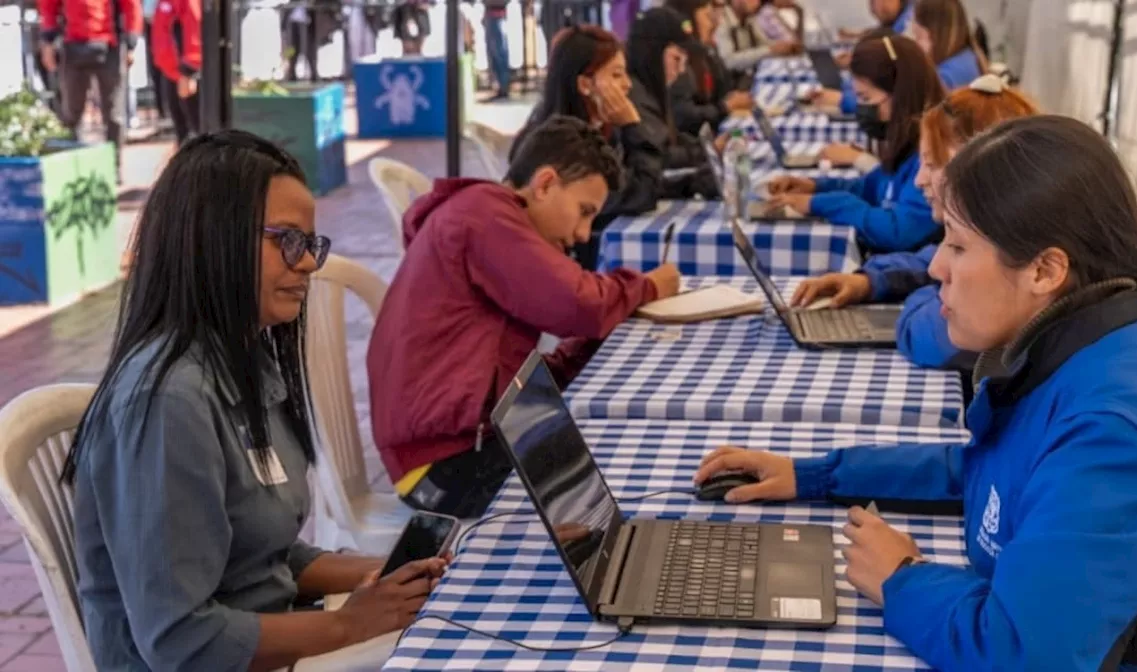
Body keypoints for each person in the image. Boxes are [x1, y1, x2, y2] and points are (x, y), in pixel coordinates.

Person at [696, 115, 1137, 669]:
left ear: (1045, 271)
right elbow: (993, 467)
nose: (935, 270)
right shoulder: (1090, 349)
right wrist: (815, 475)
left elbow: (1019, 655)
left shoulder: (1112, 431)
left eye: (957, 245)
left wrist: (903, 577)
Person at [64, 130, 449, 670]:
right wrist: (351, 622)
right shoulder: (169, 400)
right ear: (211, 238)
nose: (309, 264)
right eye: (287, 240)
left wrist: (384, 574)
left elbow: (255, 552)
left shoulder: (240, 362)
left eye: (310, 244)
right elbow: (180, 640)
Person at [369, 116, 681, 520]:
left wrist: (578, 354)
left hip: (459, 441)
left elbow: (497, 363)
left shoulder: (484, 212)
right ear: (546, 183)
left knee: (622, 462)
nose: (585, 234)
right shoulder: (484, 215)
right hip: (444, 466)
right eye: (584, 211)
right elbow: (578, 304)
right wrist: (649, 286)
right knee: (620, 494)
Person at [792, 74, 1037, 373]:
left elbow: (927, 333)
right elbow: (929, 258)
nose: (920, 179)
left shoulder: (1003, 269)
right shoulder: (1005, 233)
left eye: (932, 164)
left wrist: (927, 294)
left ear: (980, 169)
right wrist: (871, 280)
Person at [767, 35, 944, 253]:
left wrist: (821, 203)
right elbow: (872, 187)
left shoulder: (933, 153)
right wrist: (815, 187)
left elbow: (898, 230)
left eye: (866, 99)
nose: (860, 109)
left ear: (901, 95)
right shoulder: (907, 144)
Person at [510, 25, 663, 268]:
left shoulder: (596, 130)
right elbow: (639, 193)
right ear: (584, 84)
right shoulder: (561, 146)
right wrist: (633, 126)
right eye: (616, 75)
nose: (627, 85)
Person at [38, 0, 143, 175]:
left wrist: (131, 43)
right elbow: (48, 7)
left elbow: (131, 6)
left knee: (114, 114)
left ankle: (114, 166)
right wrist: (48, 43)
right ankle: (73, 165)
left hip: (109, 47)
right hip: (73, 47)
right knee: (71, 112)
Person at [625, 8, 704, 172]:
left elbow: (669, 138)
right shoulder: (634, 95)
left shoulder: (651, 86)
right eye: (676, 58)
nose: (682, 70)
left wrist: (704, 146)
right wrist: (702, 152)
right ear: (652, 53)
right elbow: (661, 156)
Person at [667, 0, 754, 135]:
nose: (716, 23)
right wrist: (724, 107)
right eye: (708, 16)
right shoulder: (678, 61)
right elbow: (683, 115)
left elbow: (725, 85)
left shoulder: (705, 51)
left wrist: (736, 94)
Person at [150, 0, 201, 144]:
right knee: (181, 132)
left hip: (184, 74)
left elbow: (194, 28)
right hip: (170, 72)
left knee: (197, 131)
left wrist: (189, 71)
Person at [907, 0, 985, 90]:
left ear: (936, 35)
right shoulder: (969, 56)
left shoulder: (946, 78)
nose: (915, 44)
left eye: (919, 36)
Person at [714, 0, 802, 75]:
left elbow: (763, 43)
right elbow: (729, 62)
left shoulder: (749, 19)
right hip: (733, 85)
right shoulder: (721, 22)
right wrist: (770, 50)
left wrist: (784, 47)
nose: (757, 3)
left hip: (750, 75)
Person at [480, 0, 511, 99]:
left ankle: (503, 86)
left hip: (496, 15)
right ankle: (501, 85)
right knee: (495, 53)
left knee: (499, 52)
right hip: (492, 15)